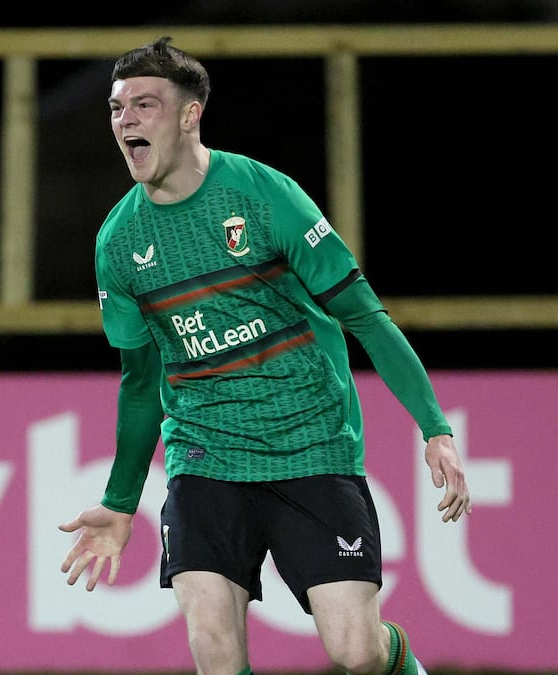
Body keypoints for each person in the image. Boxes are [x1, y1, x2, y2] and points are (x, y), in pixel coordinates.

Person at [59, 36, 471, 675]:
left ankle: (400, 660)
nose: (125, 121)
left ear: (190, 114)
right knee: (216, 658)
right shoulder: (119, 242)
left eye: (144, 105)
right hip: (205, 457)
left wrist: (435, 426)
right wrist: (119, 503)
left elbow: (362, 314)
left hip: (311, 445)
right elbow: (140, 384)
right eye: (117, 109)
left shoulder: (262, 195)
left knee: (356, 653)